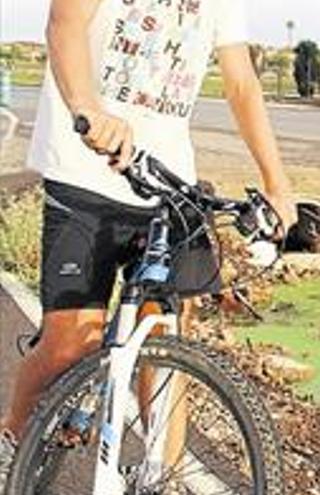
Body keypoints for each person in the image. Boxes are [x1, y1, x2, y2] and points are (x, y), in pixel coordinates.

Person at [0, 0, 294, 487]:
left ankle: (163, 476)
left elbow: (241, 82)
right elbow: (64, 24)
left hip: (170, 185)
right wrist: (87, 108)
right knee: (70, 345)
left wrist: (277, 181)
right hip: (85, 175)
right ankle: (14, 439)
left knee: (166, 340)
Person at [0, 60, 19, 142]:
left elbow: (12, 68)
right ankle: (9, 134)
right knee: (11, 117)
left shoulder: (4, 74)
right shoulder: (6, 74)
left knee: (12, 118)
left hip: (3, 100)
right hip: (4, 100)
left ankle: (9, 134)